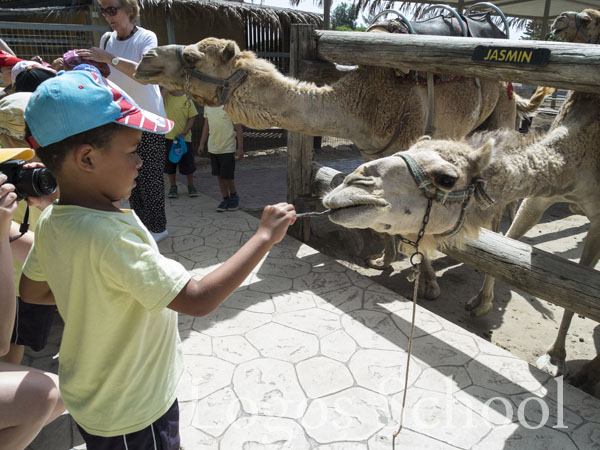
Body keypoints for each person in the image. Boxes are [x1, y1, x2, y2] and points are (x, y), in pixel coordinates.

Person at [20, 70, 295, 450]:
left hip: (91, 395)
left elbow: (32, 290)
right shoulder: (111, 236)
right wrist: (264, 237)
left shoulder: (53, 219)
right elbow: (197, 299)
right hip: (133, 409)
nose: (140, 162)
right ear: (86, 157)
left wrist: (91, 295)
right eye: (132, 151)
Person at [76, 0, 169, 242]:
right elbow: (101, 72)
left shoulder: (147, 37)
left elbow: (146, 76)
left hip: (149, 118)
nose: (107, 16)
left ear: (129, 9)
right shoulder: (106, 39)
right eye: (103, 10)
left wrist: (110, 58)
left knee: (150, 176)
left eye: (112, 9)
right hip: (121, 120)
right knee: (129, 177)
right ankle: (141, 226)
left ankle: (158, 228)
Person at [0, 148, 65, 450]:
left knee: (52, 396)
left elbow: (55, 251)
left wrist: (53, 204)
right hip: (13, 300)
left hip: (18, 298)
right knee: (42, 393)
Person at [198, 106, 244, 211]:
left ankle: (234, 196)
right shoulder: (207, 107)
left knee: (227, 176)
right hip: (213, 148)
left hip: (227, 148)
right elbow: (206, 126)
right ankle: (225, 199)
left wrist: (240, 148)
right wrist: (201, 143)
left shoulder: (230, 107)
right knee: (218, 176)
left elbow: (239, 128)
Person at [162, 89, 199, 198]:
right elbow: (157, 101)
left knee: (188, 163)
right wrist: (166, 89)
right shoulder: (166, 97)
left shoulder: (187, 98)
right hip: (169, 137)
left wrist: (185, 131)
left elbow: (192, 116)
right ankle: (173, 186)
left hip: (184, 139)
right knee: (170, 164)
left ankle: (191, 185)